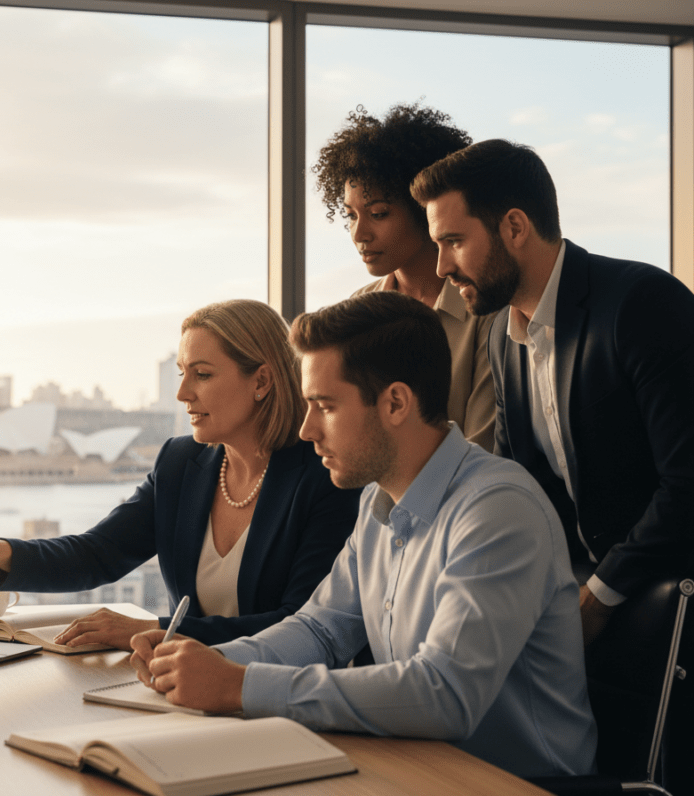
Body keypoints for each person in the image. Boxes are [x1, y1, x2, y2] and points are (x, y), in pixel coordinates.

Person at [130, 292, 596, 780]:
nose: (307, 430)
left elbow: (445, 695)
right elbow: (320, 629)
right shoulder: (378, 504)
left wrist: (241, 686)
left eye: (324, 406)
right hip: (411, 769)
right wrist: (202, 664)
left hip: (515, 785)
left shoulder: (497, 510)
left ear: (395, 402)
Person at [0, 299, 360, 650]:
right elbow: (99, 553)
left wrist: (153, 630)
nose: (182, 393)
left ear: (261, 381)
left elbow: (301, 625)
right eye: (182, 373)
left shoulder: (324, 475)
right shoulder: (182, 463)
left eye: (201, 374)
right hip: (187, 687)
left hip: (276, 697)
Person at [409, 138, 694, 644]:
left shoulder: (642, 304)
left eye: (452, 241)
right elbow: (517, 486)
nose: (441, 268)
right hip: (573, 601)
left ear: (514, 227)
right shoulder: (501, 334)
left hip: (666, 606)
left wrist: (600, 595)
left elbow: (688, 483)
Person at [312, 102, 495, 451]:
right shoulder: (357, 311)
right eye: (351, 215)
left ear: (426, 210)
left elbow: (483, 450)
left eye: (379, 213)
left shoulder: (484, 311)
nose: (359, 233)